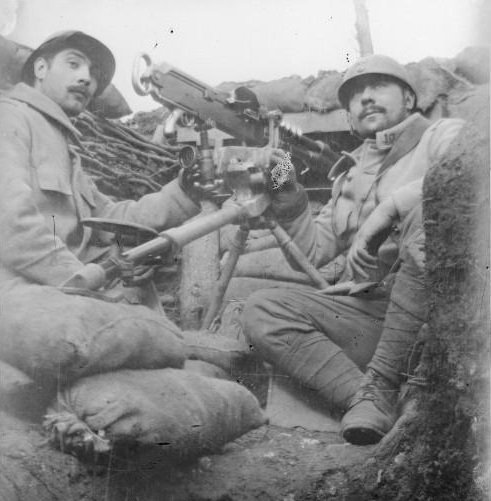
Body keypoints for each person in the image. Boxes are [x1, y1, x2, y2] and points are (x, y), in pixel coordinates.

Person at [242, 54, 464, 444]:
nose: (366, 98)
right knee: (263, 310)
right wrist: (284, 186)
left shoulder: (442, 135)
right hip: (371, 313)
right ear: (348, 117)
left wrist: (391, 208)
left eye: (378, 87)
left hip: (438, 311)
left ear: (409, 100)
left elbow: (477, 169)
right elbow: (311, 253)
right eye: (356, 95)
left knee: (428, 211)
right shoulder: (348, 175)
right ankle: (370, 401)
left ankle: (384, 388)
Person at [0, 31, 202, 384]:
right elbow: (10, 223)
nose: (86, 79)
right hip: (21, 290)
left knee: (159, 345)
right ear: (41, 68)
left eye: (93, 74)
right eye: (74, 63)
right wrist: (87, 278)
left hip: (57, 290)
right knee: (152, 341)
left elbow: (108, 218)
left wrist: (182, 194)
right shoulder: (11, 120)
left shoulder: (59, 140)